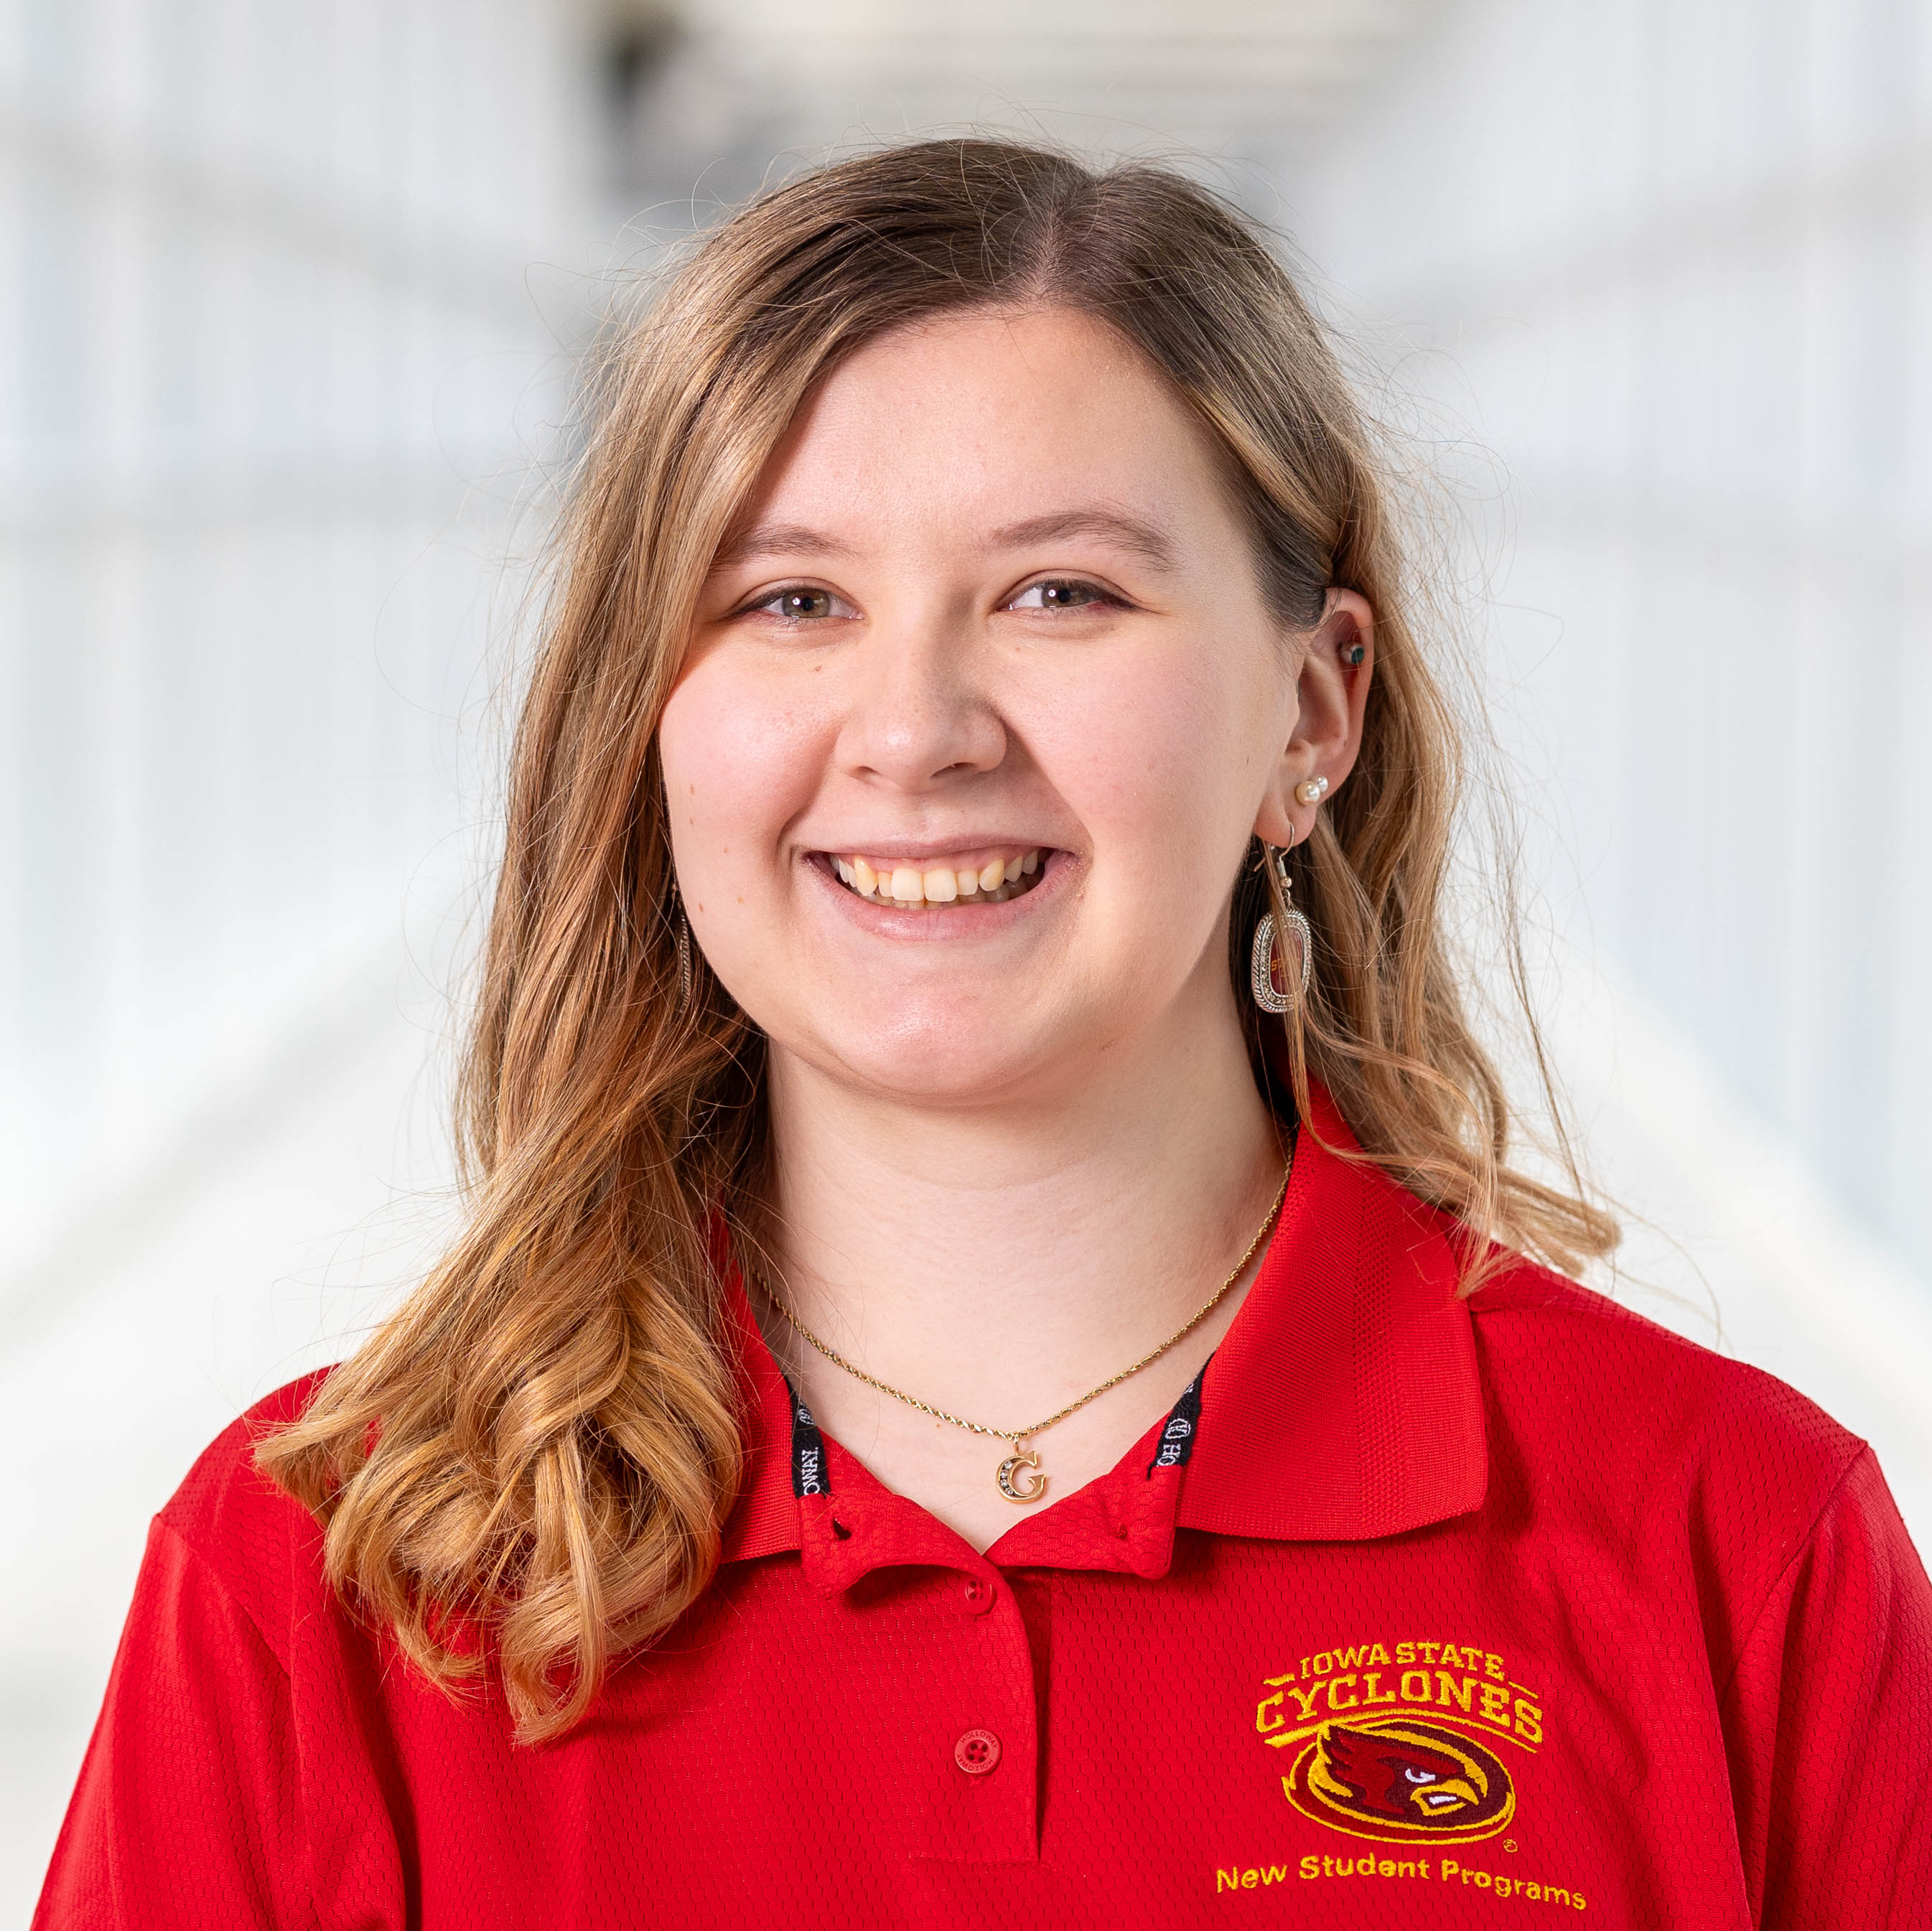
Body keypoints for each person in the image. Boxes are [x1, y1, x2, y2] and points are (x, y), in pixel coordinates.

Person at [35, 139, 1931, 1929]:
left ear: (1312, 710)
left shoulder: (1730, 1547)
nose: (917, 726)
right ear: (649, 724)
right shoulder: (322, 1583)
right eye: (788, 599)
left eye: (1059, 592)